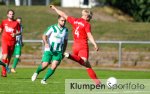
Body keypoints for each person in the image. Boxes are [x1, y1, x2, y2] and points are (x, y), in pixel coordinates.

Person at [50, 5, 100, 85]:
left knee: (87, 65)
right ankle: (70, 56)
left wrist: (55, 8)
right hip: (83, 46)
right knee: (84, 61)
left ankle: (98, 83)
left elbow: (63, 14)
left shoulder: (75, 20)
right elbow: (89, 35)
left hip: (75, 46)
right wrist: (95, 44)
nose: (90, 20)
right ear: (87, 17)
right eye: (90, 18)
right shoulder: (87, 24)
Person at [31, 15, 68, 84]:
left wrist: (63, 51)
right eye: (62, 21)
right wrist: (46, 43)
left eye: (64, 21)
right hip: (49, 50)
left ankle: (44, 80)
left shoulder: (66, 30)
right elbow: (44, 35)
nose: (63, 22)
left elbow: (65, 41)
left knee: (54, 66)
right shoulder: (52, 27)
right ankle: (36, 72)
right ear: (58, 20)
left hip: (59, 51)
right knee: (45, 65)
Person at [0, 9, 20, 77]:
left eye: (12, 14)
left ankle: (5, 69)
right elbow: (0, 29)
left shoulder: (16, 23)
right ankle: (3, 71)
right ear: (7, 14)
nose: (11, 15)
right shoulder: (3, 22)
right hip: (4, 40)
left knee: (9, 57)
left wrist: (15, 34)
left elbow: (19, 31)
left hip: (12, 42)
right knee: (5, 55)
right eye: (10, 14)